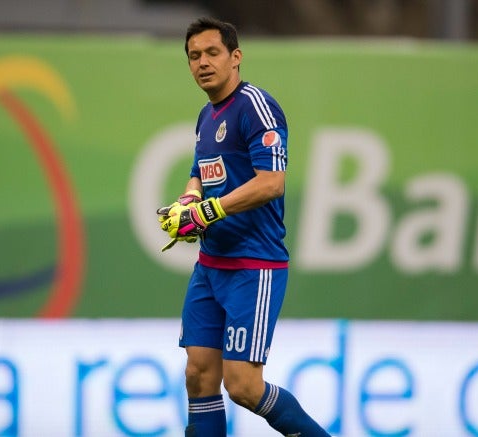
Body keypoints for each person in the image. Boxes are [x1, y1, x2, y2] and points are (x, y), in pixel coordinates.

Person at [157, 17, 330, 437]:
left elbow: (272, 183)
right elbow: (199, 172)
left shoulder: (256, 106)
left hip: (254, 266)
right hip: (210, 266)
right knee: (198, 374)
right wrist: (188, 200)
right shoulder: (206, 115)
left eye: (212, 53)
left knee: (244, 386)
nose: (202, 62)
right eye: (194, 56)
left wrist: (209, 211)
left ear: (236, 57)